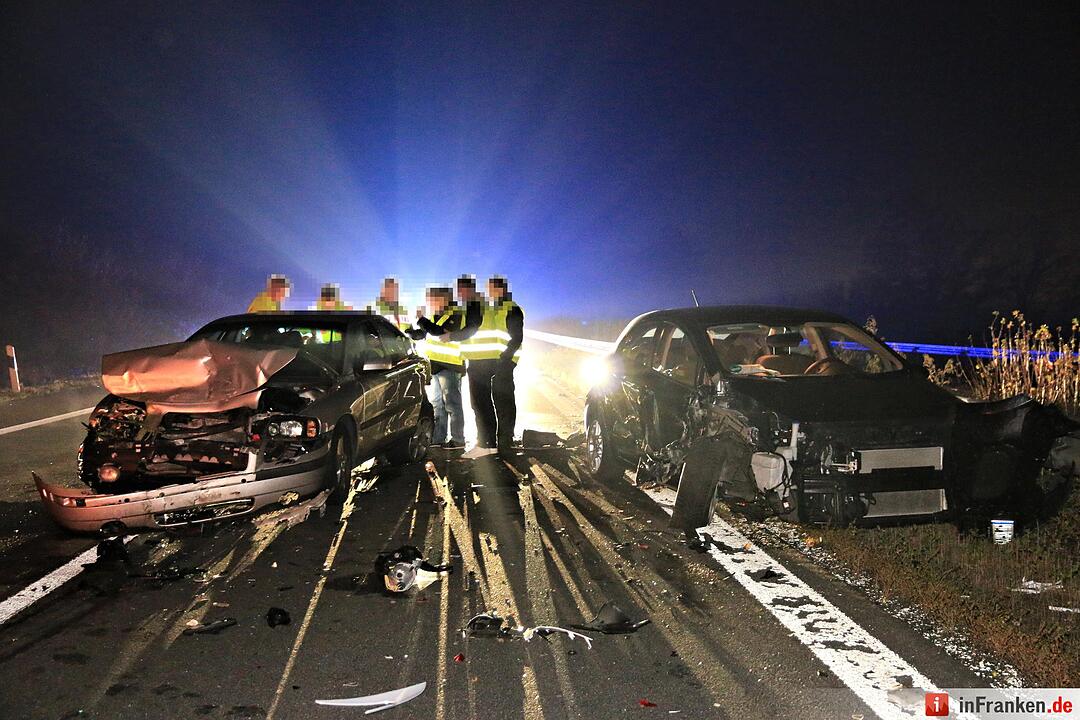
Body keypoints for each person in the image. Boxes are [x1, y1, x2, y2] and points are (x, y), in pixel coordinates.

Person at [408, 286, 466, 450]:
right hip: (434, 367)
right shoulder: (435, 316)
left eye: (432, 298)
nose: (429, 302)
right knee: (437, 404)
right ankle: (439, 438)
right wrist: (409, 332)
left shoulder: (455, 314)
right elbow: (423, 334)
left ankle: (458, 439)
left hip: (450, 366)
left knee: (452, 404)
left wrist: (421, 320)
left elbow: (439, 332)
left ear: (443, 299)